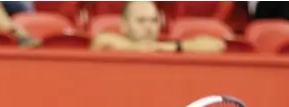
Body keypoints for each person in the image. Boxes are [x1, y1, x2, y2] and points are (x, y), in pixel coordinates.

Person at [91, 1, 226, 53]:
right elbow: (101, 41)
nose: (149, 26)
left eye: (154, 20)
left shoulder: (165, 48)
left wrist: (166, 47)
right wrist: (139, 48)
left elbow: (217, 45)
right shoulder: (111, 44)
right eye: (141, 21)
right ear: (124, 26)